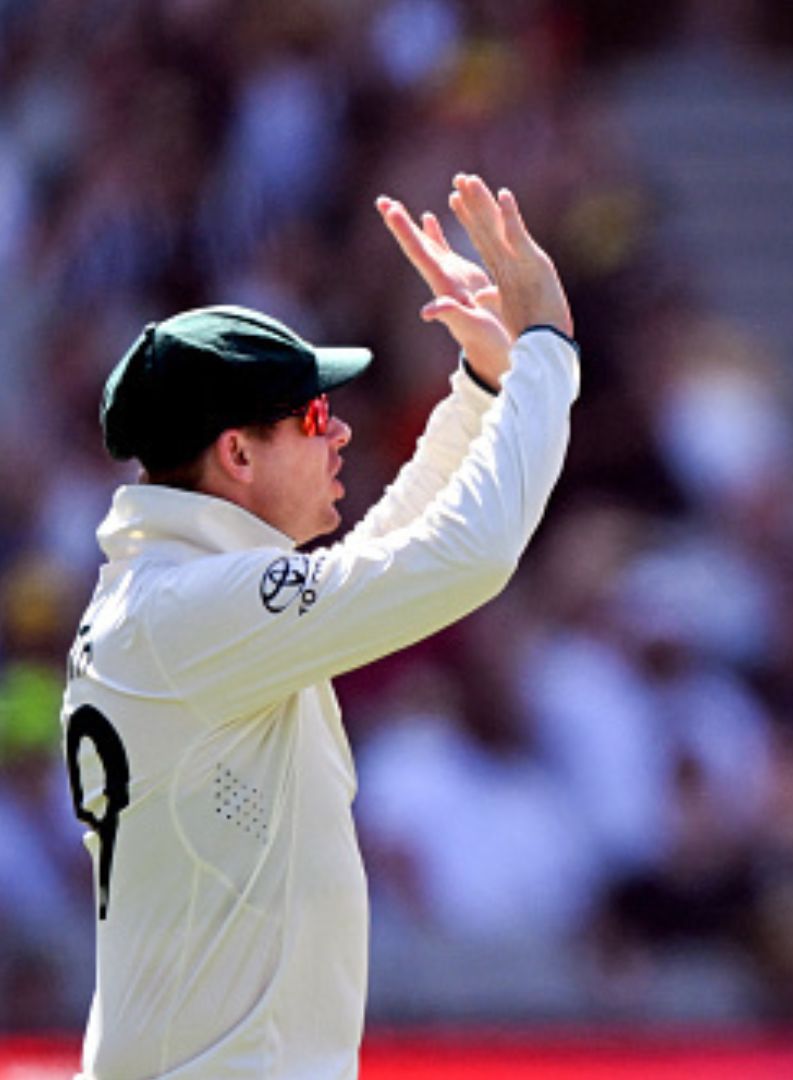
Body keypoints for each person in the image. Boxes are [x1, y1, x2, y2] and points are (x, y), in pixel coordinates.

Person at [59, 174, 576, 1079]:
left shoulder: (179, 598)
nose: (339, 435)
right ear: (237, 453)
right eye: (313, 416)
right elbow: (465, 558)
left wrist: (486, 390)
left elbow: (385, 559)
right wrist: (547, 350)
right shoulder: (188, 610)